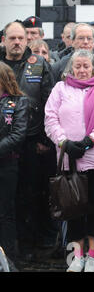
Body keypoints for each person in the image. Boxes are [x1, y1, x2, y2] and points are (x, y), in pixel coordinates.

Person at [44, 49, 94, 272]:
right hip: (69, 157)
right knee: (73, 207)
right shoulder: (61, 87)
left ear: (93, 66)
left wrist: (89, 141)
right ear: (71, 68)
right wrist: (63, 142)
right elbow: (50, 117)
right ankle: (77, 256)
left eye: (86, 66)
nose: (82, 70)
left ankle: (93, 255)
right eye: (77, 66)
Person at [1, 21, 55, 261]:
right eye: (12, 38)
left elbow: (49, 102)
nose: (16, 42)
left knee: (30, 194)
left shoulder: (39, 64)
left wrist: (45, 138)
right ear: (3, 40)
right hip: (5, 141)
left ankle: (28, 245)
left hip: (33, 141)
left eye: (20, 38)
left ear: (27, 40)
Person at [0, 62, 29, 267]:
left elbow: (18, 134)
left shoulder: (19, 101)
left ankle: (9, 259)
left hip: (7, 164)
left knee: (5, 213)